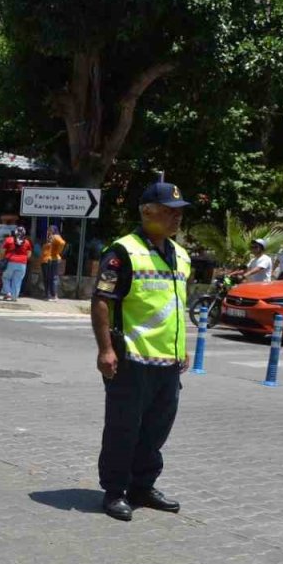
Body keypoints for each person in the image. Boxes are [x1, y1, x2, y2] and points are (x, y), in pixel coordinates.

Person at [91, 182, 192, 522]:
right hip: (131, 358)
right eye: (168, 211)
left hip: (168, 361)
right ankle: (115, 491)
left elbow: (176, 305)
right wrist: (105, 349)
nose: (175, 218)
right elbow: (102, 301)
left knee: (156, 430)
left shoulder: (181, 255)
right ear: (147, 212)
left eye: (178, 212)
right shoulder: (123, 252)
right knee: (124, 428)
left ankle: (142, 487)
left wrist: (183, 346)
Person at [1, 226, 32, 301]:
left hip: (10, 262)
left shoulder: (9, 240)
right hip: (22, 264)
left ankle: (8, 293)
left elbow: (2, 252)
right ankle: (14, 297)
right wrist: (23, 259)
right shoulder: (27, 242)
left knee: (6, 277)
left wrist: (2, 259)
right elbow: (29, 255)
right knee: (17, 281)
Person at [41, 225, 66, 301]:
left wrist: (57, 251)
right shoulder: (50, 238)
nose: (48, 231)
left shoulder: (55, 236)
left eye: (50, 230)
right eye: (48, 230)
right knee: (48, 278)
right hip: (47, 260)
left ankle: (53, 295)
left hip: (51, 260)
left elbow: (62, 243)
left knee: (52, 278)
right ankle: (48, 295)